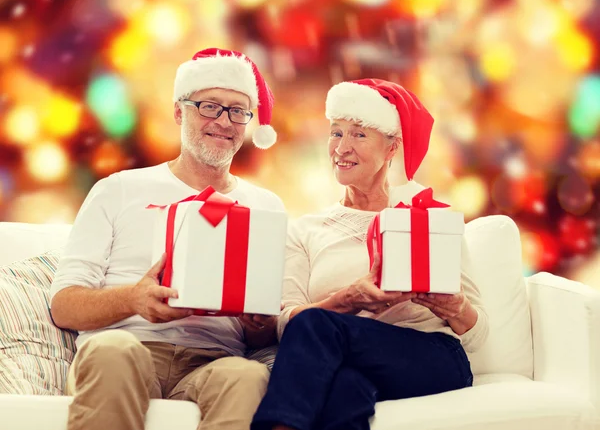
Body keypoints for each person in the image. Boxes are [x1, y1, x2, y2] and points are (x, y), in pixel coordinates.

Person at [50, 48, 283, 430]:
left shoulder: (266, 206)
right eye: (209, 106)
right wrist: (134, 299)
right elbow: (64, 307)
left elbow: (263, 331)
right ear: (179, 112)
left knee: (248, 377)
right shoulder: (119, 189)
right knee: (112, 351)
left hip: (212, 361)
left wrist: (257, 320)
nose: (224, 121)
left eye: (238, 111)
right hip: (127, 347)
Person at [251, 79, 489, 430]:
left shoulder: (426, 218)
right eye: (336, 133)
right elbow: (287, 323)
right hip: (349, 360)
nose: (341, 147)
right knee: (346, 387)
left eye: (359, 135)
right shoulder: (306, 229)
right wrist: (348, 299)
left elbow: (478, 333)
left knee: (318, 327)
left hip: (431, 357)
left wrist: (454, 307)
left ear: (392, 147)